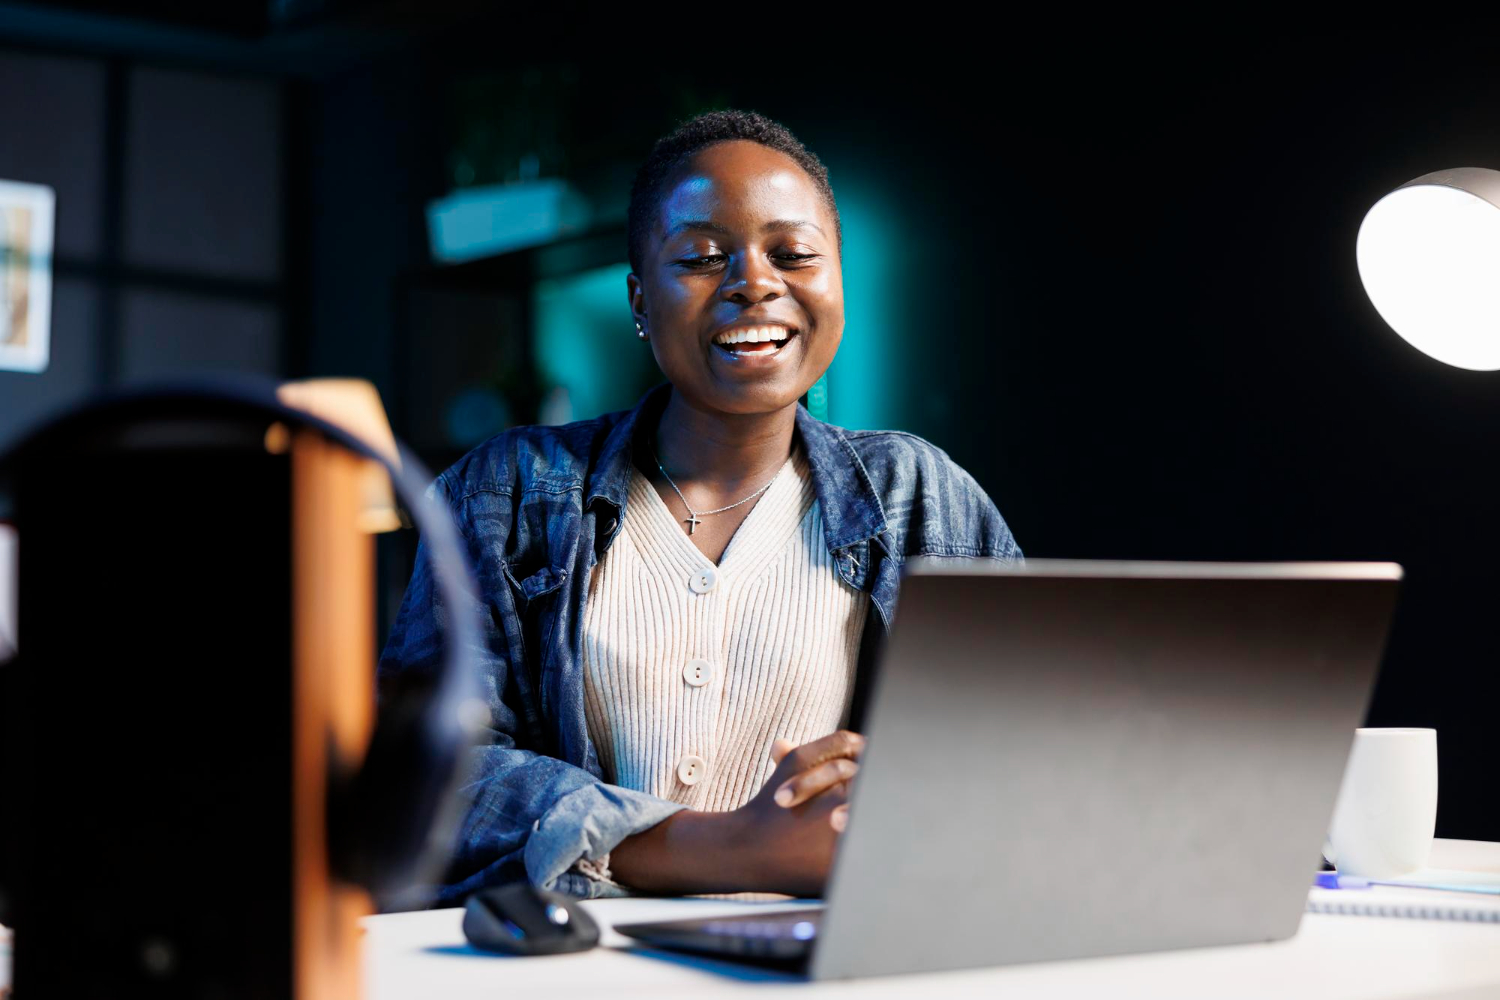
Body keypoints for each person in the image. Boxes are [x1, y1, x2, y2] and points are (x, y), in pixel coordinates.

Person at [379, 109, 1022, 907]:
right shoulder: (504, 492)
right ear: (640, 297)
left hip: (815, 962)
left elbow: (1019, 753)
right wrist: (725, 849)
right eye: (703, 257)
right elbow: (435, 774)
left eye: (793, 254)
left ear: (837, 284)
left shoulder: (919, 495)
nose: (755, 282)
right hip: (562, 962)